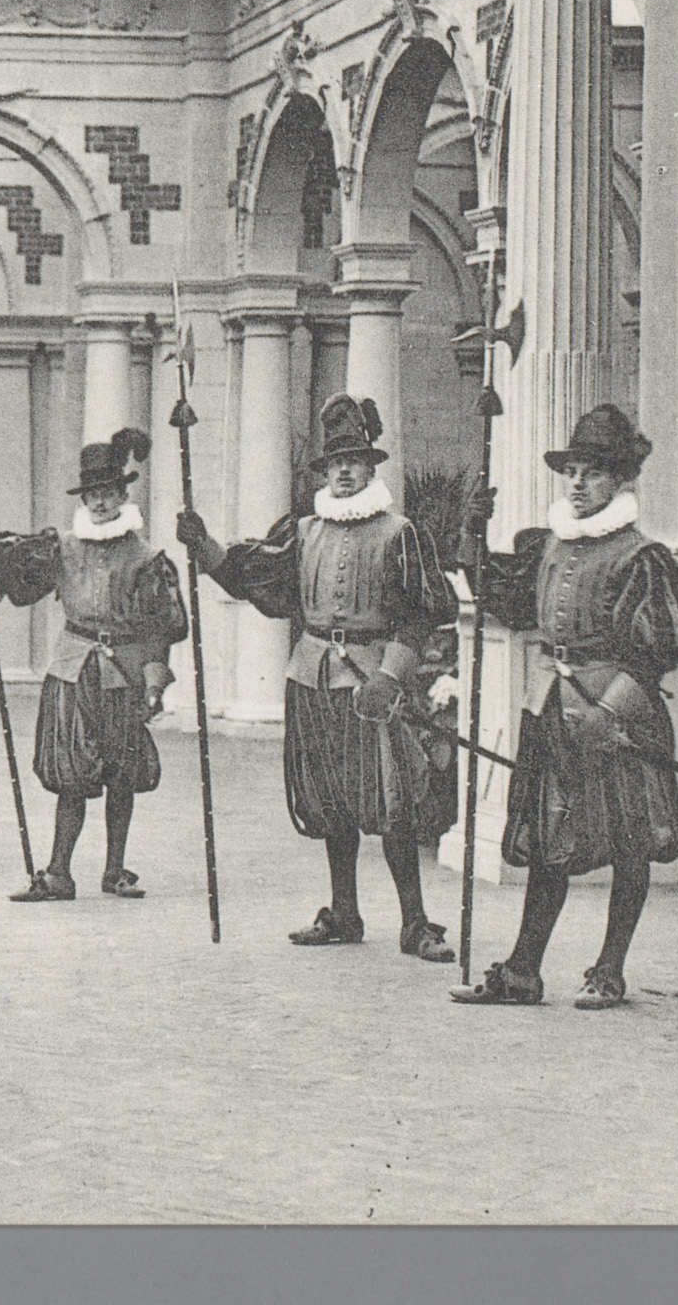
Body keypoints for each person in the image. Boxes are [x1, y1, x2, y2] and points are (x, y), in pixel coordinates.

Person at [176, 392, 461, 962]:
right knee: (331, 799)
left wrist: (392, 676)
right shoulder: (303, 531)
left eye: (355, 460)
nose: (346, 470)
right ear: (325, 471)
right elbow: (255, 573)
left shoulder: (399, 533)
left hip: (371, 684)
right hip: (311, 678)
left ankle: (414, 922)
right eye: (336, 462)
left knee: (390, 799)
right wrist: (205, 548)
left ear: (372, 466)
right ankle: (345, 913)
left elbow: (423, 612)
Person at [449, 406, 678, 1010]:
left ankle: (610, 969)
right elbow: (503, 599)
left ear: (620, 482)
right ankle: (522, 972)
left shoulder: (643, 556)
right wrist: (470, 535)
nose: (578, 483)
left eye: (593, 473)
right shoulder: (549, 547)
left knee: (629, 839)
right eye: (572, 472)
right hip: (552, 710)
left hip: (618, 716)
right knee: (547, 837)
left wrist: (609, 714)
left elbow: (662, 650)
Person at [0, 430, 188, 901]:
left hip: (125, 673)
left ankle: (115, 870)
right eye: (94, 494)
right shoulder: (63, 547)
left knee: (122, 773)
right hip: (72, 670)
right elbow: (13, 565)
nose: (102, 502)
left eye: (110, 493)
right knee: (71, 770)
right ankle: (58, 873)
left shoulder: (147, 557)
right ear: (84, 498)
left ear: (124, 495)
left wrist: (154, 684)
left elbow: (161, 628)